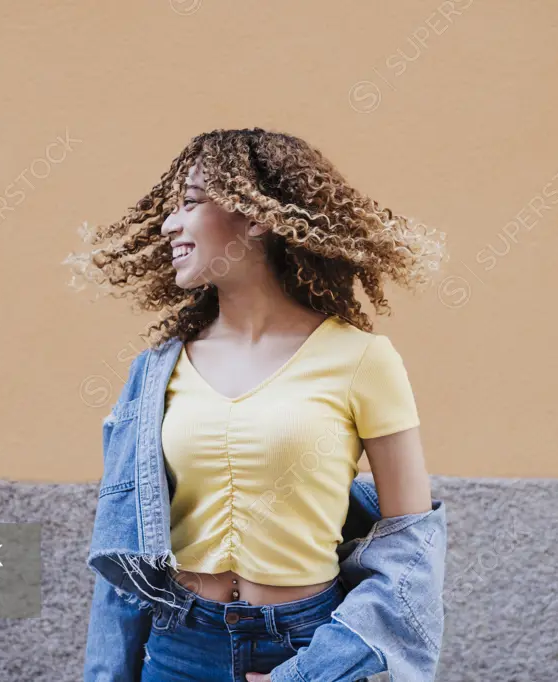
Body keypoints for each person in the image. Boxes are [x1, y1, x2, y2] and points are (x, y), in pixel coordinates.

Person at [72, 127, 448, 681]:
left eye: (191, 203)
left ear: (257, 215)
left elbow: (412, 549)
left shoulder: (364, 359)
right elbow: (123, 562)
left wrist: (313, 672)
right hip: (179, 647)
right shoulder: (153, 373)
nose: (168, 223)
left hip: (305, 645)